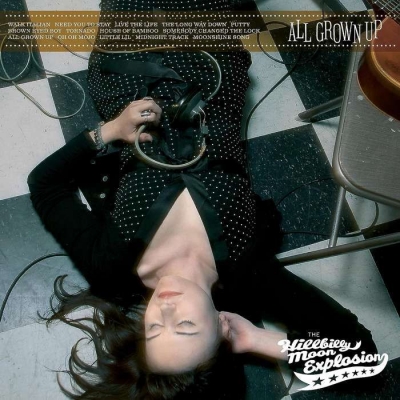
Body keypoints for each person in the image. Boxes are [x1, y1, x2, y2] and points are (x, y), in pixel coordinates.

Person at [27, 1, 380, 399]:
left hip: (128, 58)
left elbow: (44, 185)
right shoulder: (247, 274)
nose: (166, 310)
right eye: (186, 326)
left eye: (154, 328)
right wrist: (257, 340)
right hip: (212, 58)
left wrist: (108, 132)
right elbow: (364, 359)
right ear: (221, 326)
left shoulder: (111, 266)